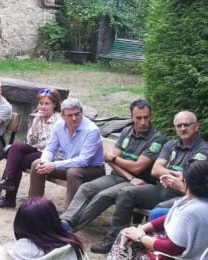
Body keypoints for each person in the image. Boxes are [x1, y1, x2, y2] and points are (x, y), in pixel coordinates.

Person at [91, 110, 208, 254]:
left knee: (158, 209)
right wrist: (174, 174)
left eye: (187, 125)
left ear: (196, 126)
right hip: (160, 188)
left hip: (182, 195)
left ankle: (152, 251)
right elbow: (155, 170)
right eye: (179, 126)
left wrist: (169, 173)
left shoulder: (203, 150)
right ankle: (114, 241)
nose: (183, 129)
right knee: (126, 192)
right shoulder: (170, 145)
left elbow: (191, 177)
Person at [110, 160, 208, 260]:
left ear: (186, 183)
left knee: (127, 239)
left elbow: (171, 248)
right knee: (131, 236)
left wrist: (140, 237)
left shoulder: (192, 211)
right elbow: (173, 218)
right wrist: (142, 229)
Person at [58, 98, 165, 228]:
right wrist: (128, 175)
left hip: (140, 182)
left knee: (104, 195)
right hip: (121, 177)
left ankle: (71, 227)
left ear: (151, 116)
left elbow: (137, 168)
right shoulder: (127, 131)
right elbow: (109, 159)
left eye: (146, 117)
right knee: (87, 188)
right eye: (138, 118)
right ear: (131, 117)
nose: (143, 122)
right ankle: (66, 219)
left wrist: (115, 159)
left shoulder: (157, 139)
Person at [28, 98, 106, 210]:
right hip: (70, 165)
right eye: (70, 115)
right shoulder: (59, 126)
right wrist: (45, 162)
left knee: (73, 172)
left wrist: (54, 165)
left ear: (82, 113)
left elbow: (84, 160)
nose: (74, 118)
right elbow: (50, 149)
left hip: (93, 169)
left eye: (77, 114)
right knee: (37, 164)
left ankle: (69, 216)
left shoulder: (91, 130)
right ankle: (33, 207)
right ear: (63, 116)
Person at [0, 88, 62, 208]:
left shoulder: (59, 121)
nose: (43, 107)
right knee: (16, 147)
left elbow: (50, 145)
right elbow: (30, 140)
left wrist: (36, 145)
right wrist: (36, 122)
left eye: (47, 104)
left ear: (54, 104)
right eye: (41, 103)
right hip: (38, 150)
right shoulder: (38, 117)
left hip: (51, 154)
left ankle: (9, 197)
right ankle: (8, 180)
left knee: (15, 159)